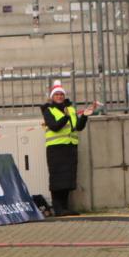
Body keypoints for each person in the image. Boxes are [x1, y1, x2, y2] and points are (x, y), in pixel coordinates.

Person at [39, 80, 98, 216]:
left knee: (68, 179)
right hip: (56, 148)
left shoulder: (70, 109)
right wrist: (65, 117)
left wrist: (84, 115)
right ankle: (58, 208)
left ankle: (65, 207)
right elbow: (54, 126)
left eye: (61, 94)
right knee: (57, 178)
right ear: (52, 97)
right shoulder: (48, 109)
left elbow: (78, 127)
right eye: (57, 95)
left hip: (70, 147)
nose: (59, 97)